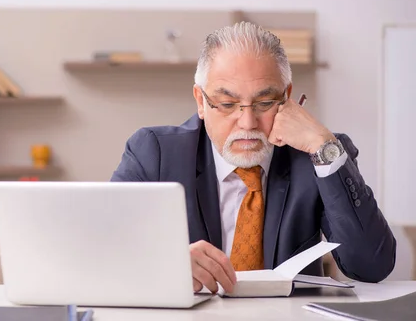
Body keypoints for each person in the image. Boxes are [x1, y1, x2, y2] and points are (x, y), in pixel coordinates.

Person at [110, 21, 396, 294]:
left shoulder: (317, 156)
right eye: (227, 104)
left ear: (287, 98)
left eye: (264, 103)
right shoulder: (154, 152)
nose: (247, 123)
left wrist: (324, 148)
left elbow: (371, 266)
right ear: (201, 101)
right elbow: (104, 247)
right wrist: (167, 263)